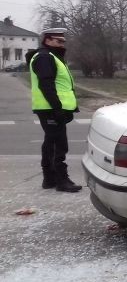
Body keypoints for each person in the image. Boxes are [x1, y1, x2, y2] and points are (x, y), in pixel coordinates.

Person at [26, 28, 81, 192]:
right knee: (59, 144)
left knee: (50, 142)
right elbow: (46, 85)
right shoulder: (45, 57)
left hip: (51, 108)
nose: (62, 44)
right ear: (48, 40)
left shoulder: (51, 56)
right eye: (58, 41)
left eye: (63, 41)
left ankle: (49, 179)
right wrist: (57, 108)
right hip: (51, 108)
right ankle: (61, 181)